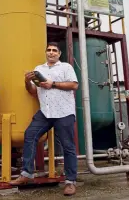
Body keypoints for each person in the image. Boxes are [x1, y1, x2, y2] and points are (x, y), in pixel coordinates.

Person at [10, 42, 78, 196]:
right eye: (49, 50)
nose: (51, 53)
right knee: (29, 134)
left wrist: (52, 84)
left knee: (68, 146)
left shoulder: (66, 67)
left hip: (63, 112)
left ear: (59, 54)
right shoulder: (38, 69)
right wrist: (27, 81)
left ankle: (70, 182)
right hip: (45, 112)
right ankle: (26, 174)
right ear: (46, 52)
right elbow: (33, 92)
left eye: (55, 50)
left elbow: (74, 85)